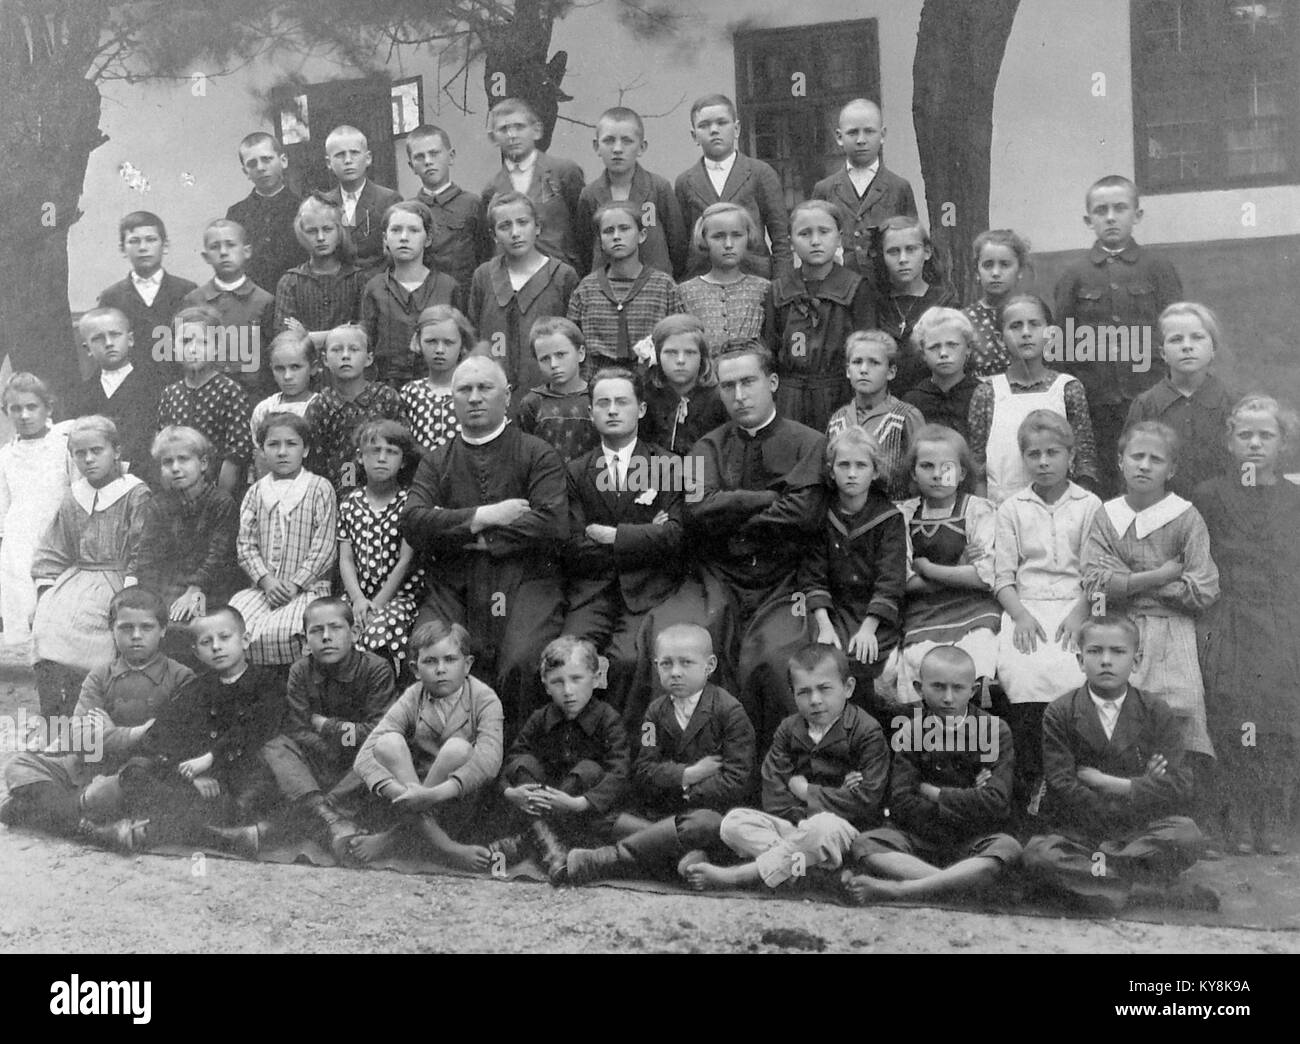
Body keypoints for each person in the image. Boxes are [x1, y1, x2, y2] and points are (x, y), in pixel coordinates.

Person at [400, 356, 567, 732]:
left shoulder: (536, 452)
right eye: (465, 390)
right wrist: (487, 515)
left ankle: (512, 765)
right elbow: (413, 522)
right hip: (453, 583)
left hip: (526, 580)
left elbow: (553, 523)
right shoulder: (436, 460)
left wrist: (472, 535)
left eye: (484, 388)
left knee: (522, 662)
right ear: (452, 400)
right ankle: (445, 762)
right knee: (434, 656)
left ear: (506, 396)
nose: (475, 398)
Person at [1023, 615, 1215, 913]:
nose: (1106, 661)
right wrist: (1144, 784)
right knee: (1039, 854)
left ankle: (1095, 884)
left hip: (1136, 830)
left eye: (1118, 652)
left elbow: (1179, 783)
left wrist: (1111, 783)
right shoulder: (1060, 712)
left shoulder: (1155, 710)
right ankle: (1142, 889)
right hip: (1081, 831)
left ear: (1136, 661)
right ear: (1079, 659)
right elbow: (1062, 782)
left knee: (1186, 834)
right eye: (1095, 651)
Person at [685, 343, 828, 744]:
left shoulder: (808, 443)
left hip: (784, 580)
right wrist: (769, 498)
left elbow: (803, 514)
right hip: (720, 577)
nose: (739, 395)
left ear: (773, 382)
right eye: (728, 386)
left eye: (748, 382)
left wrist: (730, 511)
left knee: (770, 659)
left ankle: (777, 772)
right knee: (699, 647)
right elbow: (697, 512)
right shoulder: (709, 446)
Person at [684, 644, 888, 893]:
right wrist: (809, 817)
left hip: (842, 830)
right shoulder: (789, 729)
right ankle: (809, 872)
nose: (815, 700)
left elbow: (866, 800)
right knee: (734, 822)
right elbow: (773, 791)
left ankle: (740, 876)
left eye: (824, 689)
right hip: (795, 827)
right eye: (804, 692)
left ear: (848, 688)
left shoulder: (867, 731)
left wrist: (806, 792)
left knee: (822, 827)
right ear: (793, 694)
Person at [565, 623, 755, 884]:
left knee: (705, 824)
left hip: (705, 814)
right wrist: (687, 775)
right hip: (661, 813)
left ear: (709, 666)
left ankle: (611, 858)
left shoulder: (730, 712)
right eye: (666, 664)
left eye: (686, 663)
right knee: (603, 819)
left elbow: (736, 780)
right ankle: (681, 855)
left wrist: (685, 791)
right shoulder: (654, 713)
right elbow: (644, 769)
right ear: (656, 666)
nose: (675, 672)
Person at [1193, 394, 1300, 855]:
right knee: (1232, 715)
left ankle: (1271, 816)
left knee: (1278, 719)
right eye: (1246, 435)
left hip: (1280, 618)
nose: (1255, 443)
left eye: (1266, 435)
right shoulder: (1210, 495)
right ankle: (1231, 815)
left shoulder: (1294, 498)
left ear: (1283, 443)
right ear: (1230, 442)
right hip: (1228, 616)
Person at [1, 588, 194, 843]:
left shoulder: (181, 677)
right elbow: (81, 737)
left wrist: (111, 732)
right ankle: (93, 828)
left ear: (163, 629)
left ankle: (56, 814)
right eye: (125, 628)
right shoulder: (100, 676)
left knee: (20, 806)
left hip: (132, 772)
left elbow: (166, 736)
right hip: (87, 767)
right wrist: (135, 733)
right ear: (112, 630)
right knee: (20, 765)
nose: (136, 636)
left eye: (146, 628)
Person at [1083, 421, 1218, 766]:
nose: (1144, 465)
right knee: (1114, 724)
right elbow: (1096, 585)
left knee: (1175, 727)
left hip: (1173, 632)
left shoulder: (1186, 518)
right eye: (1136, 456)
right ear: (1120, 461)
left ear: (1171, 469)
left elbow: (1202, 590)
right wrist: (1161, 575)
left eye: (1155, 459)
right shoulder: (1107, 516)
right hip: (1118, 627)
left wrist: (1126, 582)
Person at [844, 646, 1021, 903]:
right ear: (919, 688)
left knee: (1007, 848)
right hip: (920, 840)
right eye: (938, 687)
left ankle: (901, 889)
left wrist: (934, 793)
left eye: (958, 688)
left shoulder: (995, 730)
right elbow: (902, 803)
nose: (948, 698)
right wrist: (970, 795)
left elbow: (997, 803)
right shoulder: (910, 732)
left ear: (972, 691)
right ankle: (959, 884)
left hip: (974, 838)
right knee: (865, 844)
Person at [993, 410, 1101, 821]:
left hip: (1077, 605)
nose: (1043, 462)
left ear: (1071, 457)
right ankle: (1031, 780)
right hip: (1028, 607)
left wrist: (1080, 614)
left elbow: (1096, 573)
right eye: (1033, 454)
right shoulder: (1012, 508)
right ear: (1023, 459)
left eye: (1053, 452)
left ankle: (1068, 784)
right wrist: (1019, 615)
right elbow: (1002, 577)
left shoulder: (1089, 505)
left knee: (1074, 673)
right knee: (1022, 672)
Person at [114, 605, 285, 857]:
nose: (216, 647)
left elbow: (256, 727)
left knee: (256, 794)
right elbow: (162, 734)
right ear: (196, 651)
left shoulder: (266, 683)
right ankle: (218, 837)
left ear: (245, 639)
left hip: (241, 781)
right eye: (207, 642)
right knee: (135, 770)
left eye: (225, 638)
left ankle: (165, 830)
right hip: (199, 786)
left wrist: (211, 758)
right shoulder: (197, 688)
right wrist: (188, 773)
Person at [561, 367, 684, 711]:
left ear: (641, 409)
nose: (612, 410)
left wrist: (611, 536)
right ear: (591, 412)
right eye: (603, 403)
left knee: (629, 662)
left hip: (648, 591)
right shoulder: (575, 471)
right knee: (570, 658)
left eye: (621, 402)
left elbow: (675, 537)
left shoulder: (669, 464)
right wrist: (646, 536)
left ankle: (626, 754)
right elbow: (571, 545)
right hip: (592, 590)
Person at [1055, 174, 1183, 494]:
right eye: (1101, 211)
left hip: (1152, 396)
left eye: (1120, 208)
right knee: (1108, 482)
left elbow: (1178, 333)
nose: (1110, 217)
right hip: (1097, 404)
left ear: (1137, 215)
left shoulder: (1158, 268)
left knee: (1158, 474)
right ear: (1088, 219)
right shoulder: (1075, 274)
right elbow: (1062, 345)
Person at [348, 620, 502, 870]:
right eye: (430, 661)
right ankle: (447, 847)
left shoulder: (484, 698)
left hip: (457, 798)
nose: (441, 669)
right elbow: (364, 757)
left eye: (450, 660)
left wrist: (430, 795)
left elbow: (490, 761)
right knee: (387, 743)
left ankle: (396, 835)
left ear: (468, 665)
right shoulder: (414, 696)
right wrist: (408, 795)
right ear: (415, 669)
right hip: (413, 791)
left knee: (458, 749)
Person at [31, 416, 150, 719]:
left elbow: (143, 546)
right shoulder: (74, 496)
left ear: (116, 451)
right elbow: (54, 548)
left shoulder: (135, 494)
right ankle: (54, 717)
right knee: (46, 622)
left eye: (97, 451)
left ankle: (92, 712)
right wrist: (46, 590)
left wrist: (130, 590)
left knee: (94, 627)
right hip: (77, 577)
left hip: (120, 579)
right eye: (79, 454)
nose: (88, 459)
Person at [261, 597, 397, 862]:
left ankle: (319, 810)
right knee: (275, 745)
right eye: (316, 630)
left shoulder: (376, 668)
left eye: (335, 628)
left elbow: (377, 730)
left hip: (360, 767)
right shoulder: (300, 670)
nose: (326, 637)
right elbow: (297, 728)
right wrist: (334, 745)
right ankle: (329, 816)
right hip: (321, 759)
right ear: (304, 640)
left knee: (387, 748)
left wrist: (328, 725)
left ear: (355, 632)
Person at [493, 636, 630, 883]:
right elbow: (512, 761)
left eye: (577, 679)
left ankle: (529, 840)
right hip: (543, 800)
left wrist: (580, 803)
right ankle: (548, 844)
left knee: (588, 769)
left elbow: (619, 772)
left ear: (596, 679)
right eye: (557, 682)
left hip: (580, 808)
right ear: (546, 686)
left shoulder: (608, 719)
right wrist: (510, 793)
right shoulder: (540, 718)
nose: (568, 691)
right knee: (523, 761)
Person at [883, 426, 1000, 711]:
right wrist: (959, 570)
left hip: (974, 612)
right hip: (924, 615)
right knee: (918, 665)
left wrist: (928, 568)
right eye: (927, 466)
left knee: (978, 657)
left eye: (947, 467)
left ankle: (974, 734)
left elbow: (984, 576)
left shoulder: (978, 510)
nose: (937, 474)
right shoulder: (903, 515)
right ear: (913, 473)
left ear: (961, 473)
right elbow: (904, 580)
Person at [797, 426, 906, 720]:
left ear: (875, 471)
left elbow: (890, 581)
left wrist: (869, 628)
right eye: (844, 465)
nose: (852, 473)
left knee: (863, 659)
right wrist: (824, 624)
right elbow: (812, 574)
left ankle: (866, 737)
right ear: (831, 471)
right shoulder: (822, 514)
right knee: (826, 656)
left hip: (875, 613)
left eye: (861, 465)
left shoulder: (889, 519)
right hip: (833, 609)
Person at [228, 413, 338, 667]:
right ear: (262, 450)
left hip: (307, 589)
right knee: (235, 626)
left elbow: (325, 547)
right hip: (264, 589)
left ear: (306, 449)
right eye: (273, 445)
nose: (282, 452)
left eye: (291, 444)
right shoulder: (256, 492)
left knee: (288, 631)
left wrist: (296, 584)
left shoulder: (320, 488)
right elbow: (245, 545)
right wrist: (266, 581)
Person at [969, 294, 1098, 504]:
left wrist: (1078, 510)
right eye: (1016, 326)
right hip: (1001, 510)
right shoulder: (987, 393)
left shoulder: (1067, 389)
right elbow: (978, 466)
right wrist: (983, 514)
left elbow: (1084, 462)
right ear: (1000, 338)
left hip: (1059, 511)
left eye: (1034, 325)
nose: (1026, 333)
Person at [763, 199, 876, 432]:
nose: (815, 241)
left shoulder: (855, 288)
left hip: (838, 394)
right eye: (804, 233)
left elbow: (867, 348)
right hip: (789, 397)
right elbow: (769, 350)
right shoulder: (778, 290)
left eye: (824, 232)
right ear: (791, 242)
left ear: (839, 237)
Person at [135, 426, 241, 663]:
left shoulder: (221, 503)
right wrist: (152, 600)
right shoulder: (159, 505)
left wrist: (195, 589)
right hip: (169, 587)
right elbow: (148, 558)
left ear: (203, 463)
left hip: (209, 587)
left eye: (183, 459)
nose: (175, 468)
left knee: (193, 625)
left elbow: (219, 555)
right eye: (167, 462)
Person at [468, 191, 579, 414]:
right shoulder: (483, 276)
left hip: (549, 398)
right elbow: (473, 337)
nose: (515, 233)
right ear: (494, 235)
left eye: (523, 223)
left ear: (537, 227)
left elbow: (574, 341)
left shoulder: (562, 276)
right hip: (494, 397)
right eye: (505, 226)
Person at [338, 420, 424, 677]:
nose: (382, 459)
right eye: (374, 451)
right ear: (360, 458)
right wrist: (357, 600)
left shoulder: (410, 503)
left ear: (404, 461)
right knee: (335, 629)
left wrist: (376, 604)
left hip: (398, 597)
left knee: (377, 632)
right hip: (358, 596)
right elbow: (346, 559)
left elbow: (405, 561)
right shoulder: (349, 502)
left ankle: (383, 695)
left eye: (391, 452)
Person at [675, 93, 790, 279]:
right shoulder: (685, 182)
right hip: (703, 278)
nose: (714, 130)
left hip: (754, 275)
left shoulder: (760, 173)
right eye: (704, 125)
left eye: (721, 123)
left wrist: (781, 286)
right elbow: (681, 243)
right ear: (694, 135)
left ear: (736, 129)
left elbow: (780, 238)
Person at [1125, 302, 1233, 499]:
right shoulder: (1146, 405)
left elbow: (1250, 468)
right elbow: (1128, 471)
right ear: (1163, 353)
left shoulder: (1233, 404)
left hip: (1223, 515)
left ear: (1213, 349)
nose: (1187, 346)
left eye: (1197, 337)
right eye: (1176, 339)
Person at [0, 373, 72, 652]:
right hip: (20, 540)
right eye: (15, 409)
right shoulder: (6, 455)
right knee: (24, 603)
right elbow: (4, 504)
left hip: (57, 534)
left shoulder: (64, 445)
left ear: (48, 408)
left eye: (32, 407)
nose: (24, 415)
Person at [567, 201, 683, 371]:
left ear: (642, 235)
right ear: (600, 241)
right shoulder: (586, 290)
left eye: (624, 228)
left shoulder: (664, 286)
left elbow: (680, 338)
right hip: (597, 386)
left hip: (651, 388)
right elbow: (571, 342)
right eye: (608, 231)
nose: (616, 236)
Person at [576, 106, 688, 279]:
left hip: (653, 286)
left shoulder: (658, 188)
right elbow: (584, 248)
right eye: (609, 141)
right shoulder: (590, 195)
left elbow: (678, 246)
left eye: (627, 141)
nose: (618, 149)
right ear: (596, 147)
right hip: (606, 287)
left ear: (641, 147)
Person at [360, 200, 462, 387]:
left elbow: (461, 344)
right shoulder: (375, 288)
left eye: (414, 230)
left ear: (428, 238)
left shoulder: (448, 286)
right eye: (396, 230)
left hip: (438, 386)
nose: (404, 237)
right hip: (387, 387)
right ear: (385, 238)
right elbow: (368, 343)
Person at [811, 98, 918, 274]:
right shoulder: (824, 189)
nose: (861, 140)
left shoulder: (899, 187)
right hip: (840, 286)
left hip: (886, 286)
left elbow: (911, 241)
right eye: (853, 133)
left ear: (882, 135)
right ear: (839, 137)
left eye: (869, 131)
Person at [156, 304, 254, 496]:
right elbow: (163, 451)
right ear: (173, 347)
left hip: (219, 494)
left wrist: (215, 501)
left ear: (217, 347)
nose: (193, 349)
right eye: (185, 342)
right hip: (178, 492)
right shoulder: (170, 394)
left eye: (203, 343)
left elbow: (235, 456)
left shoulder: (230, 392)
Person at [479, 98, 586, 274]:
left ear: (536, 131)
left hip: (560, 277)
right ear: (494, 138)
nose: (512, 135)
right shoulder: (492, 189)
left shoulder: (564, 172)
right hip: (514, 278)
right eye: (504, 129)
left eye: (519, 127)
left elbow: (584, 231)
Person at [96, 210, 197, 387]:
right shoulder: (111, 297)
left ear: (164, 246)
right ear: (122, 248)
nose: (143, 247)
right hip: (130, 389)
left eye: (151, 240)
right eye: (134, 241)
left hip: (179, 385)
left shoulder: (187, 291)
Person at [303, 324, 407, 491]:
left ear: (369, 358)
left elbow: (403, 447)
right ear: (324, 360)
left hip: (384, 493)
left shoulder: (385, 398)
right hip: (334, 493)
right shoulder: (321, 405)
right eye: (336, 350)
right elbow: (313, 461)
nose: (345, 356)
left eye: (353, 349)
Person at [181, 218, 276, 396]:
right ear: (206, 256)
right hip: (204, 395)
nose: (223, 252)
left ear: (246, 251)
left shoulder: (264, 301)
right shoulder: (193, 300)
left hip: (251, 396)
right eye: (215, 247)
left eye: (231, 245)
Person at [65, 307, 163, 480]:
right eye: (98, 338)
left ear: (130, 339)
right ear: (87, 348)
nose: (108, 343)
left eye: (115, 335)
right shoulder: (80, 395)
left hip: (144, 480)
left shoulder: (155, 386)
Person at [825, 330, 923, 500]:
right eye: (857, 362)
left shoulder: (906, 417)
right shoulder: (837, 420)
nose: (863, 370)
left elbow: (920, 474)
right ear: (848, 371)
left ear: (891, 372)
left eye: (874, 363)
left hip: (894, 512)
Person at [871, 216, 958, 400]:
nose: (903, 259)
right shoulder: (875, 303)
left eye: (911, 250)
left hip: (934, 400)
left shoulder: (944, 301)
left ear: (926, 252)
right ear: (883, 256)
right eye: (893, 251)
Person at [676, 202, 770, 356]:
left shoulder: (764, 289)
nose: (728, 244)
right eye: (718, 236)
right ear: (704, 239)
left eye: (737, 235)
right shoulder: (685, 292)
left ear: (748, 237)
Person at [273, 194, 367, 346]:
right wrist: (345, 331)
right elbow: (286, 337)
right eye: (312, 231)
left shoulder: (357, 279)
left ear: (339, 231)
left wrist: (307, 336)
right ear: (301, 234)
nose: (321, 237)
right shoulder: (290, 282)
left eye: (327, 229)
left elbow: (362, 332)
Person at [405, 124, 482, 292]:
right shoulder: (408, 210)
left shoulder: (472, 204)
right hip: (423, 299)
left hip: (464, 297)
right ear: (412, 167)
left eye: (434, 153)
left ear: (451, 156)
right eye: (419, 157)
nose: (428, 161)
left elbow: (485, 257)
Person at [226, 131, 305, 295]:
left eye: (267, 159)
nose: (260, 168)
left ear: (283, 161)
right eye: (252, 163)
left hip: (298, 296)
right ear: (245, 172)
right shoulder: (237, 214)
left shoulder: (303, 208)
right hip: (253, 302)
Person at [638, 314, 727, 457]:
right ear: (657, 356)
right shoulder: (646, 397)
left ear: (702, 357)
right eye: (671, 352)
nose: (680, 360)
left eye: (690, 352)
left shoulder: (719, 399)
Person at [516, 317, 599, 463]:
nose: (554, 364)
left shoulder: (597, 398)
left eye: (560, 355)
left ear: (581, 353)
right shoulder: (532, 404)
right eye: (545, 359)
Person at [321, 124, 403, 271]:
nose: (348, 160)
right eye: (340, 155)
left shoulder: (388, 200)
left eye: (354, 153)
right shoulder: (323, 203)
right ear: (329, 163)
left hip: (376, 287)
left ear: (368, 158)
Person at [400, 304, 474, 455]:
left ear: (462, 345)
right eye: (431, 341)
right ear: (418, 341)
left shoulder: (473, 390)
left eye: (448, 342)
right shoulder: (411, 393)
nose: (440, 350)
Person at [903, 307, 982, 442]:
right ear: (923, 353)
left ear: (968, 347)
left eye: (952, 345)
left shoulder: (982, 394)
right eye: (934, 347)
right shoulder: (913, 400)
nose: (943, 353)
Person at [249, 331, 319, 480]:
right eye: (280, 369)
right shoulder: (265, 409)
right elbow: (260, 459)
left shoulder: (321, 407)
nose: (287, 376)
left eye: (295, 367)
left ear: (313, 367)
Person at [963, 229, 1028, 379]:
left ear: (1019, 270)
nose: (996, 273)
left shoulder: (1033, 314)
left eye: (1005, 265)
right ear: (977, 272)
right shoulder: (964, 320)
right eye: (988, 265)